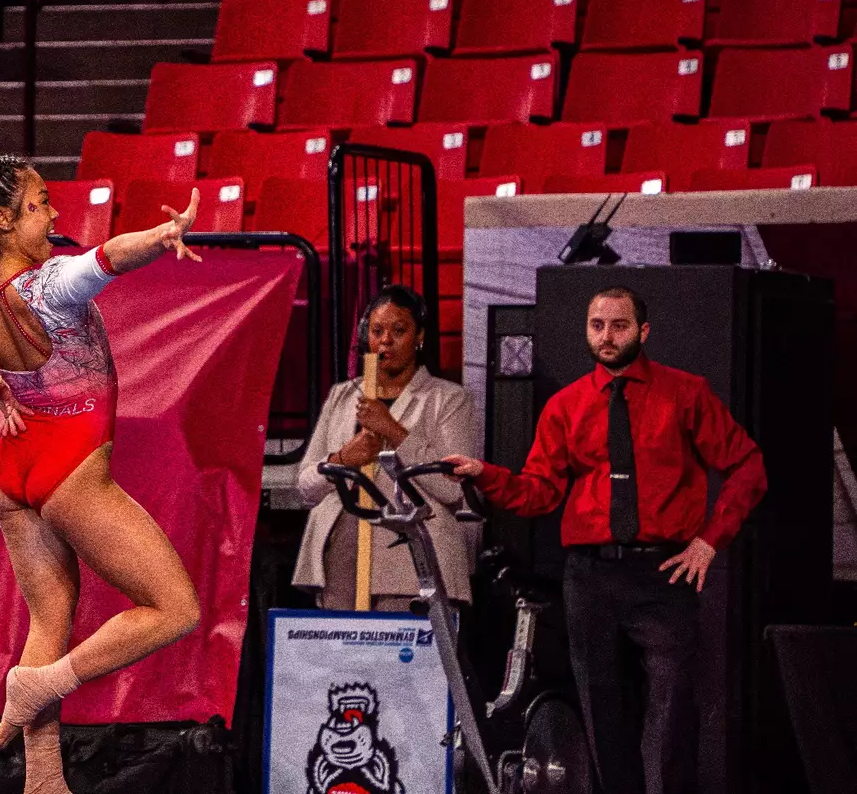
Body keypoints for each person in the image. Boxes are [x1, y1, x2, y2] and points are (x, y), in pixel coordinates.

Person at [0, 144, 204, 794]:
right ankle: (42, 682)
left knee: (49, 617)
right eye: (39, 205)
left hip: (10, 476)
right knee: (174, 607)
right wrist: (162, 235)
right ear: (3, 221)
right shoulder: (49, 287)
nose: (53, 212)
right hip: (70, 466)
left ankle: (44, 780)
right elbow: (111, 257)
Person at [443, 286, 767, 794]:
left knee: (671, 716)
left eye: (619, 326)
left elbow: (748, 465)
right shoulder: (566, 406)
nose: (607, 336)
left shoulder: (684, 393)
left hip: (663, 572)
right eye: (597, 325)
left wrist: (709, 540)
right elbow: (538, 493)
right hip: (591, 576)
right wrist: (484, 474)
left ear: (643, 331)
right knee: (602, 714)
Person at [292, 286, 477, 609]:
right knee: (342, 655)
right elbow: (305, 486)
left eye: (399, 330)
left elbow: (452, 489)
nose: (386, 340)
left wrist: (391, 429)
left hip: (412, 556)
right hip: (342, 552)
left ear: (419, 336)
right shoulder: (343, 395)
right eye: (377, 331)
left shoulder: (447, 399)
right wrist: (342, 458)